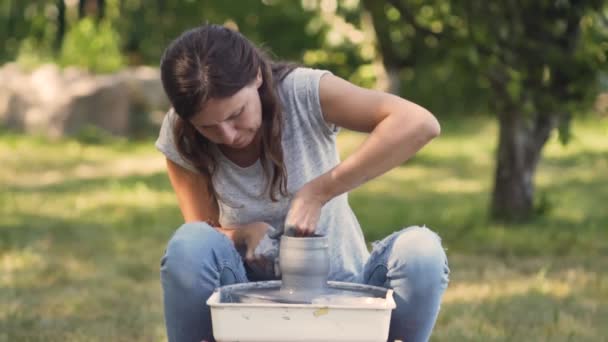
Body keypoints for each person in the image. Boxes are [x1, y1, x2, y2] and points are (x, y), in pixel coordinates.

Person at [156, 23, 449, 342]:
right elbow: (201, 237)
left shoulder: (303, 92)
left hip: (343, 300)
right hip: (248, 311)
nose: (228, 135)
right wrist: (242, 234)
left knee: (422, 251)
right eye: (209, 127)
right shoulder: (180, 132)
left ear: (256, 75)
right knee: (188, 245)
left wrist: (318, 192)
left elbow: (419, 123)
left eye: (236, 113)